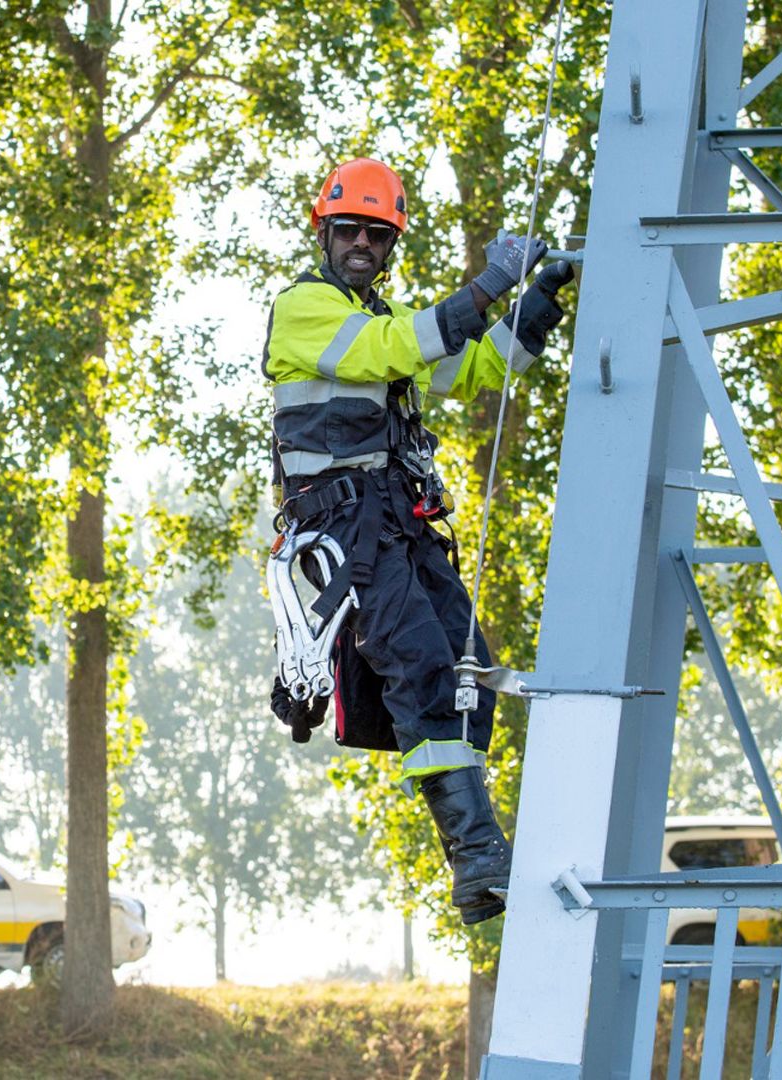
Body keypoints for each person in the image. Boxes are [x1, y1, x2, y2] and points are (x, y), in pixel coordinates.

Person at [262, 157, 575, 924]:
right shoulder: (306, 310)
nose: (363, 244)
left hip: (398, 522)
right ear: (324, 236)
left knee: (468, 670)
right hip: (348, 529)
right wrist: (489, 282)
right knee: (423, 667)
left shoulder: (384, 324)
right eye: (350, 232)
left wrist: (541, 297)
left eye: (377, 233)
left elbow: (479, 367)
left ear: (390, 245)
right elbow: (399, 347)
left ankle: (481, 855)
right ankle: (476, 858)